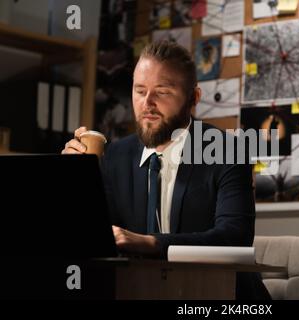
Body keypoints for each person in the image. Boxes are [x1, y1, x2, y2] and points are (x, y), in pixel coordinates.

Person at [62, 40, 270, 300]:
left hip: (221, 295)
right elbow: (88, 236)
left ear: (193, 98)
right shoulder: (115, 156)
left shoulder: (228, 151)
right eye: (140, 91)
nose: (147, 103)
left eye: (162, 92)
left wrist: (151, 243)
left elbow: (234, 237)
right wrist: (73, 180)